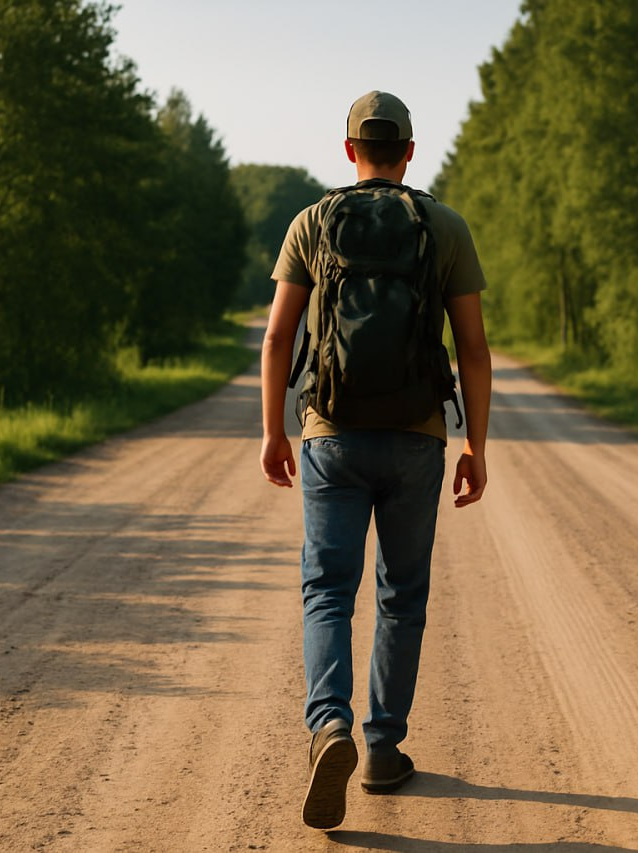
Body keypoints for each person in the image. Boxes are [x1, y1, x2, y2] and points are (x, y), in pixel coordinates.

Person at [259, 90, 492, 830]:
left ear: (350, 148)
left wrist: (273, 430)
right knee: (402, 593)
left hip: (331, 429)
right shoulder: (442, 225)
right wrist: (477, 446)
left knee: (327, 587)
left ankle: (329, 725)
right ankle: (383, 747)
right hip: (418, 433)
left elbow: (276, 339)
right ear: (412, 153)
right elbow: (475, 350)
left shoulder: (311, 222)